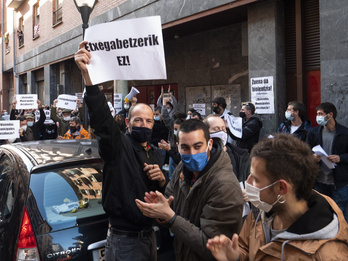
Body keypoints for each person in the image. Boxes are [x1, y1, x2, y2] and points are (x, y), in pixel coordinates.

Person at [75, 40, 167, 261]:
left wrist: (163, 181)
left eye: (149, 121)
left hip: (149, 236)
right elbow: (103, 122)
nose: (144, 125)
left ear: (154, 124)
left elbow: (163, 197)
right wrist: (89, 77)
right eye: (138, 120)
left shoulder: (154, 152)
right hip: (125, 241)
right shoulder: (118, 146)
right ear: (127, 122)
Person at [206, 134, 348, 261]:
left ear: (281, 188)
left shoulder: (327, 255)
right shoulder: (261, 210)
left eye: (255, 179)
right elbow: (247, 249)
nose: (247, 182)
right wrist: (236, 257)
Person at [136, 119, 244, 261]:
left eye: (198, 146)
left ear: (209, 144)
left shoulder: (224, 186)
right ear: (178, 147)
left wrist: (171, 218)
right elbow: (171, 201)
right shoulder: (182, 168)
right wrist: (161, 210)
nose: (192, 153)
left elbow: (213, 248)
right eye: (185, 148)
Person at [306, 102, 348, 221]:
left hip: (339, 183)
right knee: (322, 213)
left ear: (330, 115)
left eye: (320, 114)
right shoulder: (313, 132)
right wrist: (312, 156)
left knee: (339, 213)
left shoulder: (344, 133)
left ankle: (342, 238)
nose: (317, 116)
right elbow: (306, 150)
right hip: (320, 181)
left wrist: (340, 158)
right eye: (317, 114)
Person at [204, 114, 250, 182]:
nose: (221, 132)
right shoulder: (202, 157)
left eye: (223, 129)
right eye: (216, 129)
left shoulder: (242, 156)